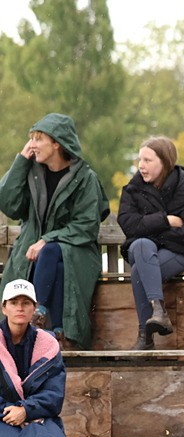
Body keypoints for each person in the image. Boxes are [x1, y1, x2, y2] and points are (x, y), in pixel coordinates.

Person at [0, 113, 108, 348]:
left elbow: (87, 225)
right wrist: (20, 161)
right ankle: (58, 331)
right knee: (53, 262)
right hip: (33, 250)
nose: (32, 145)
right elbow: (9, 204)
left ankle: (38, 314)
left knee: (51, 252)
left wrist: (48, 239)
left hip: (77, 249)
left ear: (57, 143)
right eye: (31, 139)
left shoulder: (85, 179)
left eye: (38, 139)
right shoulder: (31, 172)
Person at [116, 137, 184, 350]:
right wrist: (165, 221)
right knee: (141, 245)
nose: (141, 165)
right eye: (140, 159)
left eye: (147, 160)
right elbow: (129, 225)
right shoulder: (133, 189)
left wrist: (152, 232)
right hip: (143, 250)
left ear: (165, 162)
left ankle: (145, 337)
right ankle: (158, 311)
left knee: (139, 269)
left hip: (180, 252)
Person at [0, 280, 71, 437]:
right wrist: (9, 411)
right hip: (2, 416)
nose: (20, 308)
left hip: (38, 415)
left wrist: (27, 410)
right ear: (4, 308)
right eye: (14, 303)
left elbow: (54, 394)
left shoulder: (48, 345)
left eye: (26, 303)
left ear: (34, 308)